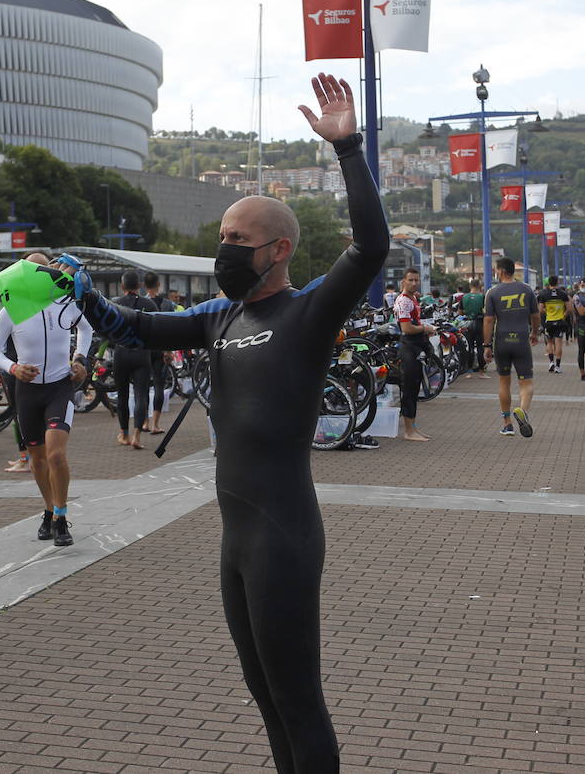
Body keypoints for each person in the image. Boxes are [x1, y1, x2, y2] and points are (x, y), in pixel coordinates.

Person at [74, 73, 387, 773]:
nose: (224, 248)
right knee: (264, 695)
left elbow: (369, 249)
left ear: (276, 250)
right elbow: (137, 326)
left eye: (237, 238)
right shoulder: (221, 316)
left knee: (298, 699)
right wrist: (80, 291)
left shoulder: (306, 313)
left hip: (284, 535)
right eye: (222, 235)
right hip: (236, 542)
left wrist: (348, 150)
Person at [0, 252, 92, 547]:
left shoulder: (64, 303)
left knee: (56, 454)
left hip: (59, 386)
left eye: (45, 271)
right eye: (35, 271)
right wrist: (14, 367)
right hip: (28, 391)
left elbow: (86, 328)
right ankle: (48, 509)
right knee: (37, 459)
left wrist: (80, 358)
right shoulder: (11, 309)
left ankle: (60, 515)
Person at [483, 257, 540, 437]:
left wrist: (486, 345)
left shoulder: (492, 292)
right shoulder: (527, 290)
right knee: (526, 381)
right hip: (521, 340)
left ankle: (507, 423)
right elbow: (536, 316)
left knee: (504, 381)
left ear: (499, 271)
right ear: (513, 271)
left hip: (501, 341)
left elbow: (489, 320)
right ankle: (522, 410)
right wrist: (534, 333)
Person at [110, 269, 157, 450]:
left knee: (122, 396)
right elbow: (156, 331)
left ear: (122, 286)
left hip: (121, 353)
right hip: (142, 353)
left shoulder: (115, 304)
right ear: (139, 285)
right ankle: (137, 435)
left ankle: (124, 434)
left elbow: (108, 331)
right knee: (140, 395)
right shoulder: (149, 304)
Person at [392, 266, 436, 442]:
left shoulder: (414, 299)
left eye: (416, 280)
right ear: (403, 281)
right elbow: (407, 328)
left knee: (415, 386)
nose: (414, 283)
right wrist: (425, 328)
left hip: (416, 346)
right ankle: (408, 431)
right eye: (410, 280)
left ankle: (414, 427)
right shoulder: (404, 301)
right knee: (409, 388)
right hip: (408, 346)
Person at [142, 271, 176, 434]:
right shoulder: (168, 305)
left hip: (145, 350)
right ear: (158, 285)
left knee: (142, 387)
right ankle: (155, 424)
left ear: (144, 285)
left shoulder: (141, 303)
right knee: (158, 386)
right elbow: (171, 329)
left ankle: (144, 423)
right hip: (161, 349)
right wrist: (169, 351)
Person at [536, 275, 571, 373]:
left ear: (548, 283)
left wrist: (547, 313)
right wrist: (563, 316)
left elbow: (540, 310)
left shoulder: (544, 295)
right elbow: (569, 309)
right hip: (560, 321)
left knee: (550, 342)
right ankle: (558, 366)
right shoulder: (563, 294)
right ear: (557, 283)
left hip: (549, 322)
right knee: (559, 343)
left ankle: (551, 362)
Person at [460, 278, 488, 377]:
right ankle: (481, 372)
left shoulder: (464, 297)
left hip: (467, 324)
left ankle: (469, 372)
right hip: (479, 323)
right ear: (479, 286)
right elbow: (486, 311)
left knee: (469, 347)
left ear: (470, 286)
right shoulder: (482, 297)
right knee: (480, 347)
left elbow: (460, 312)